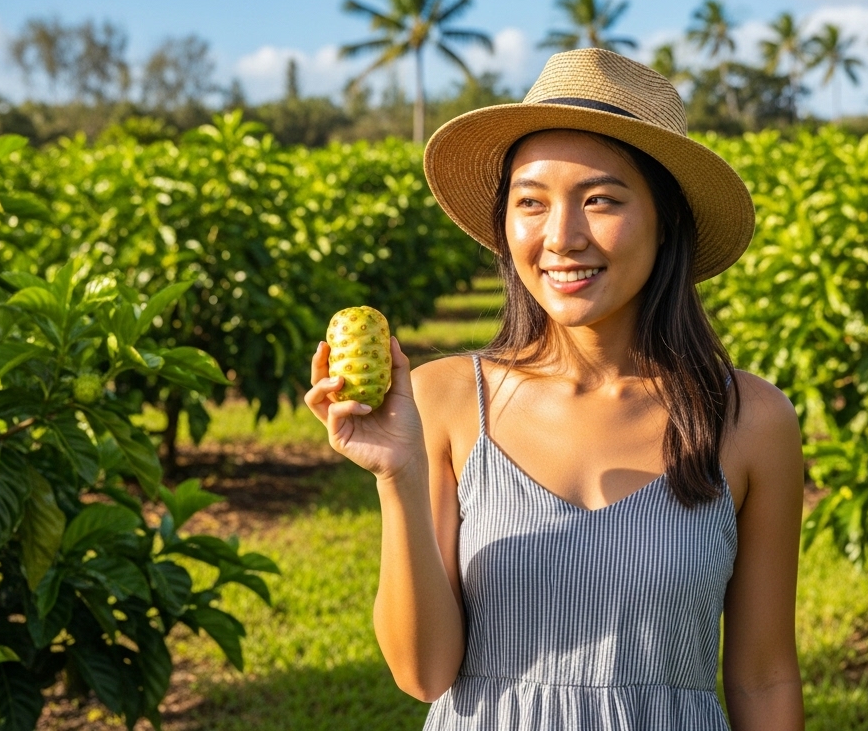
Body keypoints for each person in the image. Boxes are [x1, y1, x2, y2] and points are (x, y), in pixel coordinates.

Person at [306, 48, 804, 730]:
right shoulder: (448, 398)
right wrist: (398, 472)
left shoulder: (749, 419)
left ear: (666, 222)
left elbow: (765, 676)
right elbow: (423, 675)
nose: (562, 238)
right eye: (531, 202)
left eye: (600, 200)